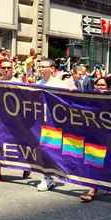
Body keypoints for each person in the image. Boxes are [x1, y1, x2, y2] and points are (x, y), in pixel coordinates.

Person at [34, 58, 70, 191]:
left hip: (56, 122)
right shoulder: (38, 83)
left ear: (52, 69)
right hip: (42, 121)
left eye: (44, 66)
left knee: (52, 149)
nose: (41, 69)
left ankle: (50, 176)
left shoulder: (60, 84)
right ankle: (48, 176)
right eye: (40, 67)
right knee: (44, 148)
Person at [80, 76, 111, 202]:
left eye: (103, 85)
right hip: (95, 135)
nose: (100, 88)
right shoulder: (91, 97)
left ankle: (107, 184)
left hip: (110, 135)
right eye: (98, 85)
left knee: (108, 160)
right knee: (96, 161)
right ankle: (93, 190)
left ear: (109, 87)